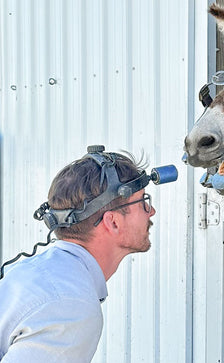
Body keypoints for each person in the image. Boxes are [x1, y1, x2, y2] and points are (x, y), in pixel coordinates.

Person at [0, 145, 176, 362]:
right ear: (113, 222)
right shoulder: (69, 306)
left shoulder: (36, 274)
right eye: (143, 203)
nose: (152, 211)